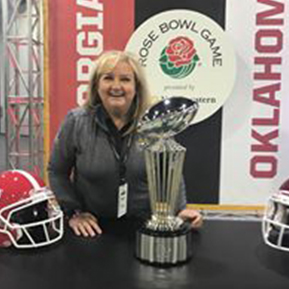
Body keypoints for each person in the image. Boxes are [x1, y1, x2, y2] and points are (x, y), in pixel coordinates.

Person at [48, 50, 203, 238]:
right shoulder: (76, 122)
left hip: (143, 228)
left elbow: (171, 171)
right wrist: (74, 212)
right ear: (96, 85)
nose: (116, 86)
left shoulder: (156, 124)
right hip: (92, 230)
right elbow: (56, 171)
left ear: (136, 87)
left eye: (125, 79)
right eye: (108, 78)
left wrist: (180, 210)